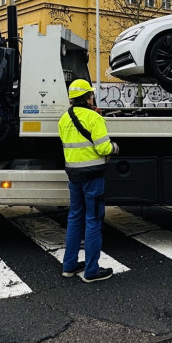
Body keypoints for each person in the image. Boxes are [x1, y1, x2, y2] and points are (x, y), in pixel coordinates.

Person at [58, 79, 119, 283]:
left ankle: (69, 266)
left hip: (73, 175)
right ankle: (91, 271)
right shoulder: (94, 118)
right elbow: (103, 148)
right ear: (87, 97)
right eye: (91, 94)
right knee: (93, 220)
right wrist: (115, 148)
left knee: (75, 218)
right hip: (92, 176)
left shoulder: (64, 119)